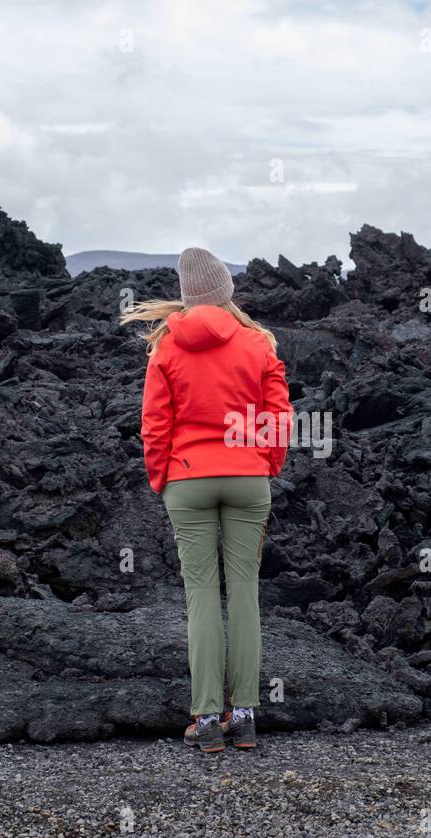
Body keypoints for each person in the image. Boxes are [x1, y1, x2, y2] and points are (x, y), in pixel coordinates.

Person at [120, 248, 292, 754]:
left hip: (188, 480)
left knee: (200, 596)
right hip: (248, 479)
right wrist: (265, 466)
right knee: (243, 592)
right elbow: (279, 417)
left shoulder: (166, 348)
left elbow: (154, 425)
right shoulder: (259, 344)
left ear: (187, 297)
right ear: (226, 292)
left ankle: (206, 720)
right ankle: (244, 716)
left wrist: (163, 479)